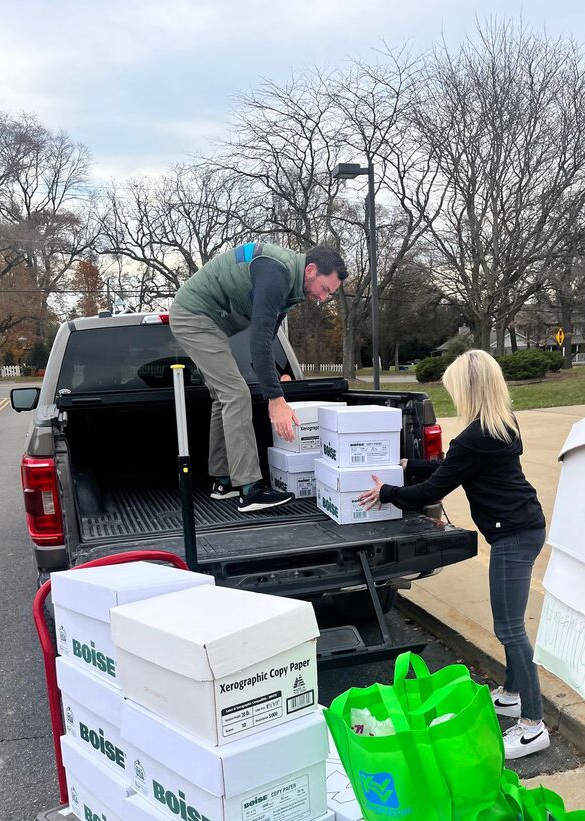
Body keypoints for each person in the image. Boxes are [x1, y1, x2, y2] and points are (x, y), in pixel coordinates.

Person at [358, 348, 548, 760]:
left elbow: (434, 491)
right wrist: (412, 463)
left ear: (468, 390)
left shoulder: (476, 436)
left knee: (510, 629)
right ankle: (513, 694)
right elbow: (453, 468)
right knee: (510, 625)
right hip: (524, 527)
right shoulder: (501, 426)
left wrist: (386, 492)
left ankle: (533, 725)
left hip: (514, 536)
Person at [170, 242, 347, 513]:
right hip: (194, 315)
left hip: (211, 320)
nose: (324, 298)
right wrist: (276, 399)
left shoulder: (291, 289)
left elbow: (267, 339)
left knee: (223, 397)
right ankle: (250, 489)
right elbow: (259, 341)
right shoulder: (276, 273)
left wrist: (275, 384)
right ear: (311, 270)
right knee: (235, 394)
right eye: (325, 289)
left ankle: (223, 481)